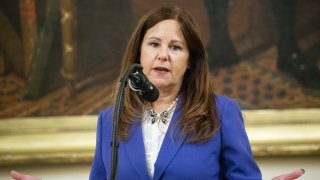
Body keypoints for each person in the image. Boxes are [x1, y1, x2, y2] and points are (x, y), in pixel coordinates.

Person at [10, 6, 305, 180]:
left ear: (190, 62)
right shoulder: (109, 120)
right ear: (139, 53)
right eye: (154, 44)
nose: (163, 55)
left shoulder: (222, 113)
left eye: (175, 47)